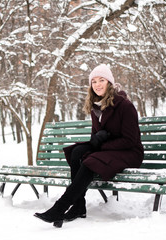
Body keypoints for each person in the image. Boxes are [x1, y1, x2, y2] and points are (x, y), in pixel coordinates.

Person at [34, 64, 144, 227]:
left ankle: (60, 207)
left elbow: (130, 140)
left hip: (129, 153)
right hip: (110, 151)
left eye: (102, 80)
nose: (98, 85)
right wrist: (96, 141)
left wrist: (101, 143)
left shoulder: (124, 106)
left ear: (110, 83)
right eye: (94, 82)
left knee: (90, 161)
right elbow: (96, 136)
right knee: (76, 152)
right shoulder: (96, 107)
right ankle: (79, 206)